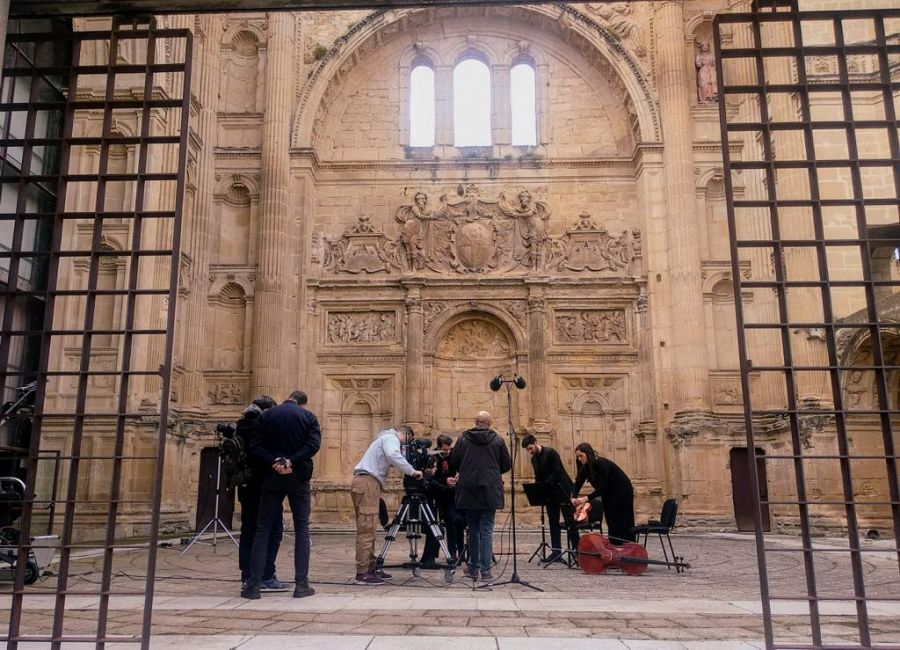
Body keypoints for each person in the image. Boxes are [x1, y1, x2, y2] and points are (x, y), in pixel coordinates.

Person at [241, 390, 321, 600]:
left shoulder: (266, 416)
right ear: (302, 404)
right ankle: (301, 585)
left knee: (262, 530)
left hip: (272, 477)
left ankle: (254, 586)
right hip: (298, 478)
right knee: (301, 531)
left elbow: (255, 447)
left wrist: (275, 462)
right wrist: (291, 461)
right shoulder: (308, 417)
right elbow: (313, 445)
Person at [351, 424, 423, 585]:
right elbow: (393, 454)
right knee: (366, 529)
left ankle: (371, 568)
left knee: (369, 528)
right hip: (367, 483)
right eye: (408, 441)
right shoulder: (391, 438)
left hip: (369, 483)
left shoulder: (384, 439)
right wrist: (412, 471)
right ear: (406, 434)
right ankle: (362, 573)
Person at [449, 411, 512, 583]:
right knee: (487, 530)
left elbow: (454, 462)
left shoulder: (463, 439)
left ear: (475, 422)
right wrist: (491, 471)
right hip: (489, 490)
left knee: (473, 531)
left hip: (469, 490)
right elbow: (507, 464)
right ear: (490, 423)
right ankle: (486, 572)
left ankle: (473, 567)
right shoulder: (498, 440)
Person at [235, 395, 289, 591]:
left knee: (248, 531)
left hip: (246, 487)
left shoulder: (241, 426)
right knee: (272, 530)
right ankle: (266, 574)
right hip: (264, 488)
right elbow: (263, 455)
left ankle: (248, 575)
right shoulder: (259, 429)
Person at [521, 433, 578, 563]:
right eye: (528, 450)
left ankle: (577, 551)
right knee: (553, 522)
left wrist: (545, 485)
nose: (530, 451)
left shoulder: (551, 453)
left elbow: (557, 472)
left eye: (530, 448)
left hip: (562, 490)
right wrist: (538, 490)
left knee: (570, 522)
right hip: (550, 494)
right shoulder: (534, 459)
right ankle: (556, 552)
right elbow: (538, 477)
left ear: (535, 442)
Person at [571, 442, 635, 544]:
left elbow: (602, 487)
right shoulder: (585, 467)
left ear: (588, 453)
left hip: (622, 491)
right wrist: (574, 497)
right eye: (577, 456)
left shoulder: (601, 463)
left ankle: (627, 547)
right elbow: (578, 483)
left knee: (622, 520)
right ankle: (615, 546)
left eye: (581, 456)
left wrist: (585, 498)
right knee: (611, 520)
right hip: (608, 494)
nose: (579, 459)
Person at [420, 434, 465, 567]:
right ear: (439, 447)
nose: (447, 452)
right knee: (435, 524)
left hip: (451, 494)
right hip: (438, 494)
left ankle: (454, 552)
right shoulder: (433, 457)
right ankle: (434, 554)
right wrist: (445, 481)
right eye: (444, 450)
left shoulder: (454, 457)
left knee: (453, 521)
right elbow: (431, 479)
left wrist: (457, 477)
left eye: (449, 449)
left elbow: (458, 469)